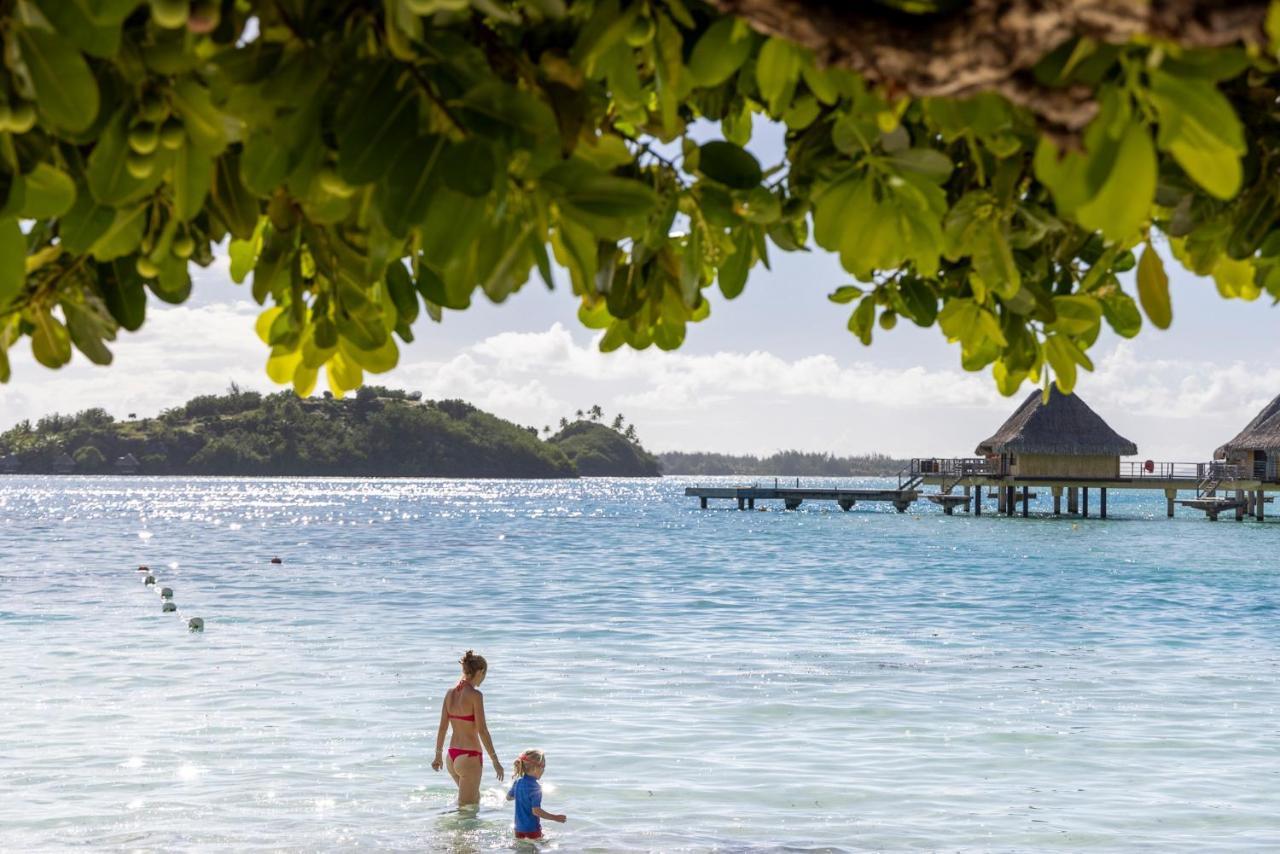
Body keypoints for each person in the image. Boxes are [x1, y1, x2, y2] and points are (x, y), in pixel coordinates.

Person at [431, 650, 503, 807]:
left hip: (451, 757)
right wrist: (495, 760)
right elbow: (482, 730)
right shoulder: (476, 696)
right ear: (480, 671)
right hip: (469, 757)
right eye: (485, 674)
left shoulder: (449, 693)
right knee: (466, 811)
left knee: (472, 802)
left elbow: (442, 728)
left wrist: (438, 755)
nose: (484, 679)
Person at [507, 749, 567, 841]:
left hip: (518, 828)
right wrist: (555, 818)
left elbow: (508, 797)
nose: (543, 771)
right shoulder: (535, 787)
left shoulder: (517, 782)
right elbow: (536, 811)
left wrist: (521, 795)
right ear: (536, 768)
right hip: (532, 829)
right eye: (543, 767)